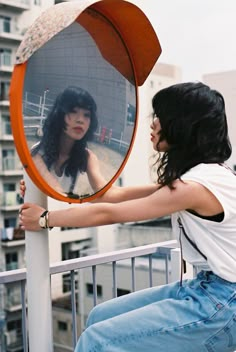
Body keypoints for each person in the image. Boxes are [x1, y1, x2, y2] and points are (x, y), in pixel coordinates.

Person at [19, 82, 236, 352]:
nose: (153, 123)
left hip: (223, 302)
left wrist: (45, 219)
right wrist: (42, 183)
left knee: (97, 340)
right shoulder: (202, 176)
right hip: (206, 289)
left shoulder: (192, 187)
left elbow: (111, 213)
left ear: (181, 125)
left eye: (161, 116)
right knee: (99, 317)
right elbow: (111, 196)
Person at [31, 86, 107, 197]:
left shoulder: (87, 156)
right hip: (41, 213)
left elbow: (104, 190)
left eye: (86, 115)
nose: (80, 119)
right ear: (59, 115)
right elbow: (56, 191)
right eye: (73, 111)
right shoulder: (37, 153)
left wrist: (142, 194)